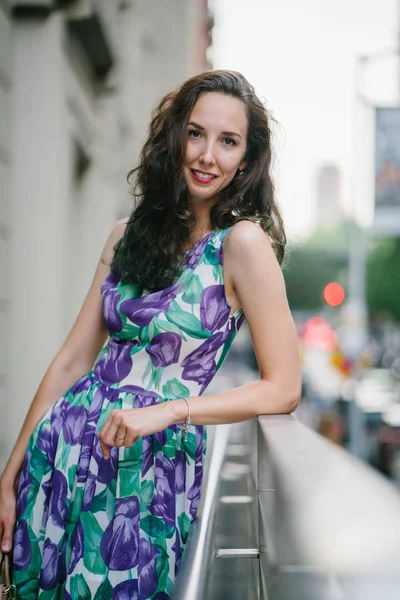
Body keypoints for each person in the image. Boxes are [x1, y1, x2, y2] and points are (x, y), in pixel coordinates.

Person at [0, 69, 301, 599]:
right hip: (62, 458)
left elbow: (283, 386)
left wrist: (170, 410)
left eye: (228, 142)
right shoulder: (126, 234)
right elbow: (74, 360)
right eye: (196, 133)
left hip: (148, 474)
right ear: (175, 138)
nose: (208, 155)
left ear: (246, 161)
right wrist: (11, 472)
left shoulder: (242, 246)